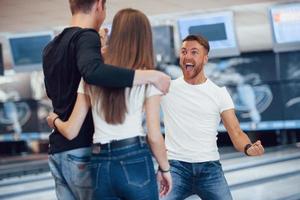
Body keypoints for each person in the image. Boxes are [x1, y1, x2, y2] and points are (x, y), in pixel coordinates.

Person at [42, 0, 170, 199]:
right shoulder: (146, 78)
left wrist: (54, 120)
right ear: (99, 5)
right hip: (126, 156)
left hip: (91, 159)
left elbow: (70, 129)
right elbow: (154, 135)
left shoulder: (56, 52)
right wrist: (165, 169)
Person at [160, 35, 265, 200]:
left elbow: (236, 132)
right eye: (184, 51)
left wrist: (248, 148)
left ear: (205, 58)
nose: (187, 56)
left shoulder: (219, 93)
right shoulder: (167, 88)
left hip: (210, 169)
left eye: (194, 52)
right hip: (175, 168)